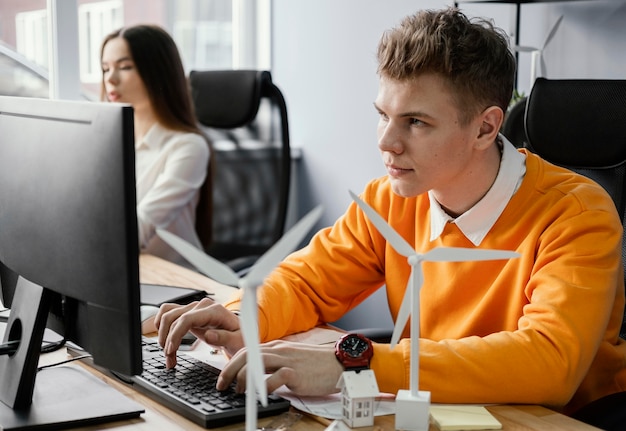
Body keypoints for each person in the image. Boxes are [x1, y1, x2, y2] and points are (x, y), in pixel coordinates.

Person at [155, 7, 626, 417]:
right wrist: (241, 319)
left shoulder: (576, 213)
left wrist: (354, 363)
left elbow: (549, 362)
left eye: (415, 122)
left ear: (485, 128)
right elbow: (307, 282)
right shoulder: (389, 199)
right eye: (383, 114)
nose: (385, 142)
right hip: (438, 409)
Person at [100, 24, 211, 265]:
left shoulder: (188, 147)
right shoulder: (109, 142)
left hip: (178, 284)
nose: (110, 78)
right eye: (105, 68)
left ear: (158, 73)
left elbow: (138, 228)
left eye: (125, 67)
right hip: (128, 270)